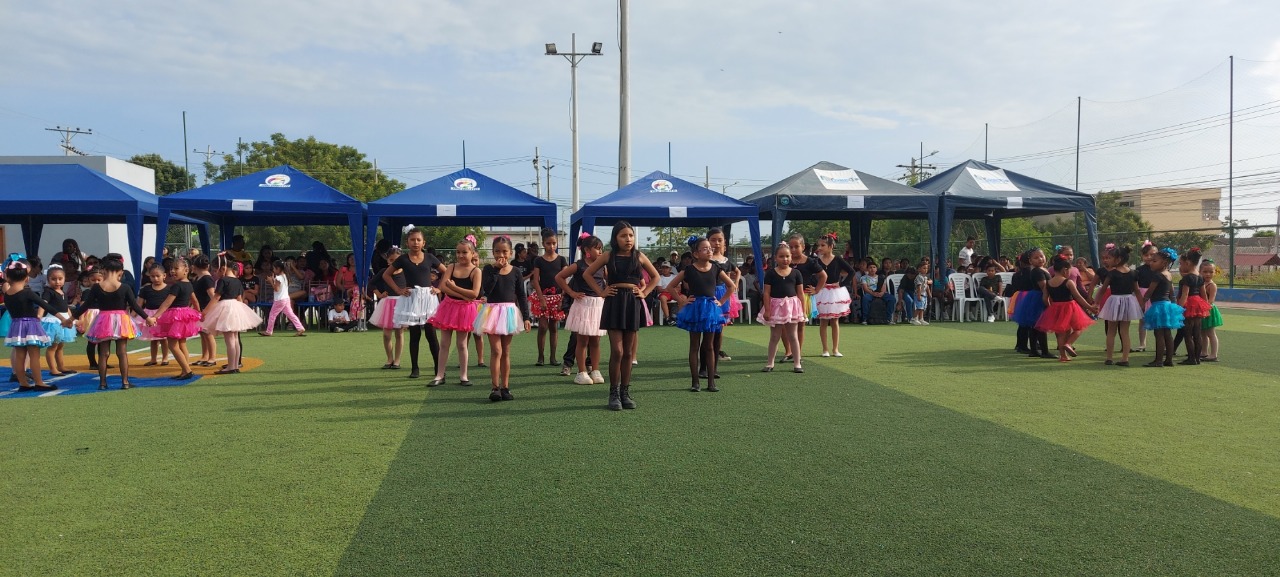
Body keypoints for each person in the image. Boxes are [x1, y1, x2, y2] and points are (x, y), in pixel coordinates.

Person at [581, 221, 659, 411]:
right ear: (615, 238)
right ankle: (613, 393)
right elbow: (587, 274)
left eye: (631, 235)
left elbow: (655, 277)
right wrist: (601, 292)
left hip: (632, 302)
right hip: (614, 302)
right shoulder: (608, 255)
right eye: (623, 236)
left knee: (629, 352)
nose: (628, 239)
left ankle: (625, 392)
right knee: (617, 351)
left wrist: (644, 292)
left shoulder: (639, 256)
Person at [667, 236, 734, 392]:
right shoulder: (689, 270)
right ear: (696, 254)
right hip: (695, 308)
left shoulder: (716, 268)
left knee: (709, 346)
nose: (709, 251)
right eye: (705, 249)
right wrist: (681, 300)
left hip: (710, 309)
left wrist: (721, 301)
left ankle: (711, 382)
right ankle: (695, 382)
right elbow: (671, 286)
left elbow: (731, 286)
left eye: (710, 248)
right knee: (694, 345)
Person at [76, 257, 154, 389]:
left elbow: (85, 305)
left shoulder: (96, 287)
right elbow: (135, 306)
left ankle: (102, 383)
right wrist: (148, 318)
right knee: (122, 352)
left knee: (103, 353)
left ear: (104, 271)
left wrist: (71, 318)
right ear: (120, 272)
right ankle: (125, 382)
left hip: (103, 319)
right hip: (121, 320)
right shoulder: (125, 287)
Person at [384, 228, 446, 379]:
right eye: (412, 240)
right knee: (414, 334)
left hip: (428, 299)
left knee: (431, 334)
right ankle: (415, 368)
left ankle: (438, 369)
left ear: (423, 242)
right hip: (411, 299)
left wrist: (439, 288)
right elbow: (386, 275)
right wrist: (398, 290)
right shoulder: (403, 259)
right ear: (407, 242)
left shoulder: (430, 257)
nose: (416, 242)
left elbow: (446, 271)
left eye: (418, 240)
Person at [475, 236, 531, 401]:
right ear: (493, 252)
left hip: (508, 313)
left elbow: (521, 295)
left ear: (511, 253)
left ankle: (505, 387)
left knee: (506, 351)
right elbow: (487, 289)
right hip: (492, 312)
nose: (501, 255)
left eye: (505, 251)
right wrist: (496, 270)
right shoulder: (488, 269)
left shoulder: (516, 271)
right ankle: (495, 387)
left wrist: (526, 317)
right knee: (496, 350)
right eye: (497, 251)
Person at [428, 236, 482, 387]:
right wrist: (461, 294)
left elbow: (474, 294)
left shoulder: (476, 271)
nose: (460, 255)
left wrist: (454, 287)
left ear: (472, 253)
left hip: (465, 310)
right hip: (448, 306)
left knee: (462, 344)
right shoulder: (451, 267)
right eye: (458, 252)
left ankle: (463, 376)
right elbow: (443, 287)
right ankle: (440, 375)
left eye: (464, 252)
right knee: (444, 343)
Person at [557, 234, 606, 385]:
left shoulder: (602, 266)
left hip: (597, 305)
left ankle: (595, 370)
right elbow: (559, 277)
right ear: (587, 250)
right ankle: (581, 372)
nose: (600, 251)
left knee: (595, 341)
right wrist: (571, 293)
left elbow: (608, 281)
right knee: (582, 340)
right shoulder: (578, 265)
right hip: (583, 305)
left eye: (601, 249)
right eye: (597, 248)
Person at [201, 254, 262, 374]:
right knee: (235, 339)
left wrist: (205, 311)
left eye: (216, 270)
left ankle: (231, 366)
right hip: (236, 308)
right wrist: (241, 313)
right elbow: (239, 298)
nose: (215, 273)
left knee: (229, 340)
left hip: (226, 309)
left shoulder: (223, 280)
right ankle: (235, 365)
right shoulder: (237, 281)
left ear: (223, 268)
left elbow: (216, 298)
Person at [5, 259, 58, 392]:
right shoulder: (27, 292)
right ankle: (39, 382)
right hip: (30, 325)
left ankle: (23, 383)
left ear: (8, 277)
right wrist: (63, 318)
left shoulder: (7, 295)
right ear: (26, 278)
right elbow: (45, 305)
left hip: (16, 325)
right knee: (34, 355)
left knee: (19, 356)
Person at [1034, 257, 1097, 362]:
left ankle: (1063, 356)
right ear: (1065, 270)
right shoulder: (1068, 282)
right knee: (1078, 328)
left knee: (1061, 333)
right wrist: (1090, 307)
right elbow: (1078, 297)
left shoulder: (1048, 283)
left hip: (1055, 307)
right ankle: (1069, 343)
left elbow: (1045, 298)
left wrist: (1050, 307)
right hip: (1069, 307)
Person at [756, 243, 805, 374]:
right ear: (775, 258)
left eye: (787, 256)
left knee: (793, 336)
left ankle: (797, 363)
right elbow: (766, 293)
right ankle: (770, 363)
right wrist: (767, 310)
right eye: (781, 256)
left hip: (792, 307)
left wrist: (803, 311)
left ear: (791, 257)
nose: (785, 259)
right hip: (776, 307)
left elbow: (800, 293)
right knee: (774, 336)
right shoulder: (770, 273)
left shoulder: (796, 273)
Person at [151, 257, 202, 379]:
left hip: (176, 316)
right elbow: (194, 300)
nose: (172, 271)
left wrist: (155, 316)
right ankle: (185, 369)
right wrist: (198, 313)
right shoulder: (188, 284)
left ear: (186, 270)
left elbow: (167, 303)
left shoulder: (177, 286)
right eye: (171, 269)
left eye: (176, 268)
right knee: (182, 344)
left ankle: (187, 370)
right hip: (185, 315)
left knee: (172, 345)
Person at [1095, 244, 1143, 366]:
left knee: (1111, 331)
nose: (1108, 260)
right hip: (1128, 301)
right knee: (1124, 332)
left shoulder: (1112, 273)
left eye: (1110, 258)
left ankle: (1109, 358)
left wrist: (1096, 303)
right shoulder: (1133, 273)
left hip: (1114, 301)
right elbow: (1137, 290)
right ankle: (1125, 359)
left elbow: (1103, 289)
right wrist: (1141, 304)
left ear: (1118, 259)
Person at [529, 228, 567, 367]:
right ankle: (540, 357)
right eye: (548, 243)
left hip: (557, 297)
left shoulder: (562, 259)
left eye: (554, 243)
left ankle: (553, 357)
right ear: (543, 244)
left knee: (554, 327)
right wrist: (541, 299)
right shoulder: (538, 260)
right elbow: (535, 281)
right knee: (542, 327)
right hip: (542, 297)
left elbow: (564, 280)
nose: (551, 246)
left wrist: (562, 298)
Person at [784, 234, 826, 361]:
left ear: (802, 247)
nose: (793, 250)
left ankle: (798, 352)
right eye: (790, 247)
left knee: (800, 325)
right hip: (786, 297)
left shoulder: (810, 262)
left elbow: (823, 276)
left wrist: (816, 289)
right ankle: (788, 351)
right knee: (784, 324)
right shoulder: (786, 260)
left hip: (804, 296)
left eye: (796, 246)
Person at [1142, 247, 1184, 367]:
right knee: (1167, 334)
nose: (1151, 263)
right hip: (1167, 306)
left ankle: (1158, 360)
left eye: (1154, 261)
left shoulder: (1158, 275)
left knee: (1159, 334)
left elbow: (1149, 292)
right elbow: (1172, 293)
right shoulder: (1168, 275)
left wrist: (1143, 302)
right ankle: (1169, 360)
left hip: (1158, 306)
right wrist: (1174, 305)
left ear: (1164, 262)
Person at [813, 233, 854, 355]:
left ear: (831, 246)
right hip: (822, 292)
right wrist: (816, 286)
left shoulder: (838, 259)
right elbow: (811, 275)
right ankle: (825, 349)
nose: (820, 248)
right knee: (823, 321)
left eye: (823, 245)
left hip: (835, 293)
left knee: (835, 321)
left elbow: (851, 272)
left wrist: (841, 284)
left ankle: (835, 349)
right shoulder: (816, 261)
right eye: (819, 245)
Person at [706, 227, 740, 366]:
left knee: (720, 326)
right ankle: (707, 354)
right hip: (709, 293)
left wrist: (735, 283)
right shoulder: (707, 259)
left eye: (720, 240)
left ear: (724, 242)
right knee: (709, 326)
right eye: (713, 240)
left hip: (723, 294)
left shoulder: (726, 261)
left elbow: (736, 272)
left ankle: (717, 352)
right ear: (708, 241)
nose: (717, 243)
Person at [1012, 248, 1053, 359]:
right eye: (1036, 258)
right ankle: (1044, 351)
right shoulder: (1037, 271)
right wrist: (1049, 300)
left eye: (1041, 256)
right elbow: (1044, 287)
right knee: (1040, 325)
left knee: (1034, 326)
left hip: (1036, 297)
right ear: (1030, 261)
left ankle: (1034, 350)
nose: (1040, 259)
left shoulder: (1041, 269)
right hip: (1039, 298)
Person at [370, 246, 405, 369]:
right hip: (388, 303)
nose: (394, 262)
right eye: (391, 260)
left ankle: (397, 360)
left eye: (397, 260)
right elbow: (371, 283)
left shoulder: (406, 272)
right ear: (387, 260)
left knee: (399, 333)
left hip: (401, 304)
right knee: (386, 334)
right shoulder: (384, 271)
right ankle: (389, 358)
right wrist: (379, 294)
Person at [39, 264, 77, 377]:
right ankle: (53, 369)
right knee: (53, 347)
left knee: (60, 346)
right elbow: (43, 304)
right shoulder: (48, 292)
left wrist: (72, 319)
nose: (57, 282)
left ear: (65, 279)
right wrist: (39, 315)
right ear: (48, 279)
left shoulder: (63, 292)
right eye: (53, 279)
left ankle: (61, 366)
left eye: (60, 279)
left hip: (64, 321)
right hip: (53, 322)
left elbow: (66, 308)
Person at [1176, 248, 1211, 365]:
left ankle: (1191, 358)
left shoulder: (1187, 278)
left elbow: (1185, 295)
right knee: (1197, 333)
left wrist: (1179, 309)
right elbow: (1203, 294)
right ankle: (1197, 358)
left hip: (1189, 304)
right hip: (1198, 304)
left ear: (1188, 262)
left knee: (1187, 333)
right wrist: (1206, 307)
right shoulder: (1200, 277)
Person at [259, 260, 308, 338]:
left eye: (274, 268)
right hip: (286, 298)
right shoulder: (285, 276)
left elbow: (276, 289)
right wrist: (273, 280)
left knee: (272, 315)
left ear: (278, 269)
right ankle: (300, 327)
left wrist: (271, 281)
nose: (273, 270)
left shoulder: (278, 278)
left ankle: (269, 331)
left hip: (279, 300)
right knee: (291, 314)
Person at [136, 264, 171, 366]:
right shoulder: (145, 289)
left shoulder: (169, 289)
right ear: (149, 276)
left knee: (163, 338)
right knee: (153, 339)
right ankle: (153, 359)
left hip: (164, 315)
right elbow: (139, 304)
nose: (155, 278)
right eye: (152, 276)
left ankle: (165, 358)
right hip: (149, 315)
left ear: (164, 275)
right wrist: (133, 316)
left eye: (158, 276)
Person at [191, 255, 219, 368]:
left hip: (206, 309)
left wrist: (207, 311)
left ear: (195, 266)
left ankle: (212, 358)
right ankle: (205, 356)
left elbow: (212, 295)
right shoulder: (199, 277)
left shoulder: (207, 278)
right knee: (203, 333)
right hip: (200, 309)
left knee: (208, 333)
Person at [1134, 241, 1159, 353]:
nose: (1149, 257)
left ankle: (1160, 344)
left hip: (1157, 296)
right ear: (1142, 256)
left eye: (1152, 254)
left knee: (1158, 321)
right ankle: (1142, 344)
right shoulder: (1139, 270)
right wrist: (1141, 300)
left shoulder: (1160, 269)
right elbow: (1136, 286)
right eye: (1146, 255)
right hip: (1143, 297)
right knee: (1142, 320)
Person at [1200, 260, 1222, 362]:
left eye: (1211, 272)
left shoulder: (1212, 285)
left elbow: (1211, 300)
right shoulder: (1201, 283)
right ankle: (1204, 352)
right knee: (1203, 333)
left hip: (1209, 310)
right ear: (1200, 272)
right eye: (1205, 272)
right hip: (1202, 310)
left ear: (1214, 272)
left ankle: (1214, 354)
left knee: (1211, 333)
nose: (1208, 274)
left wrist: (1205, 309)